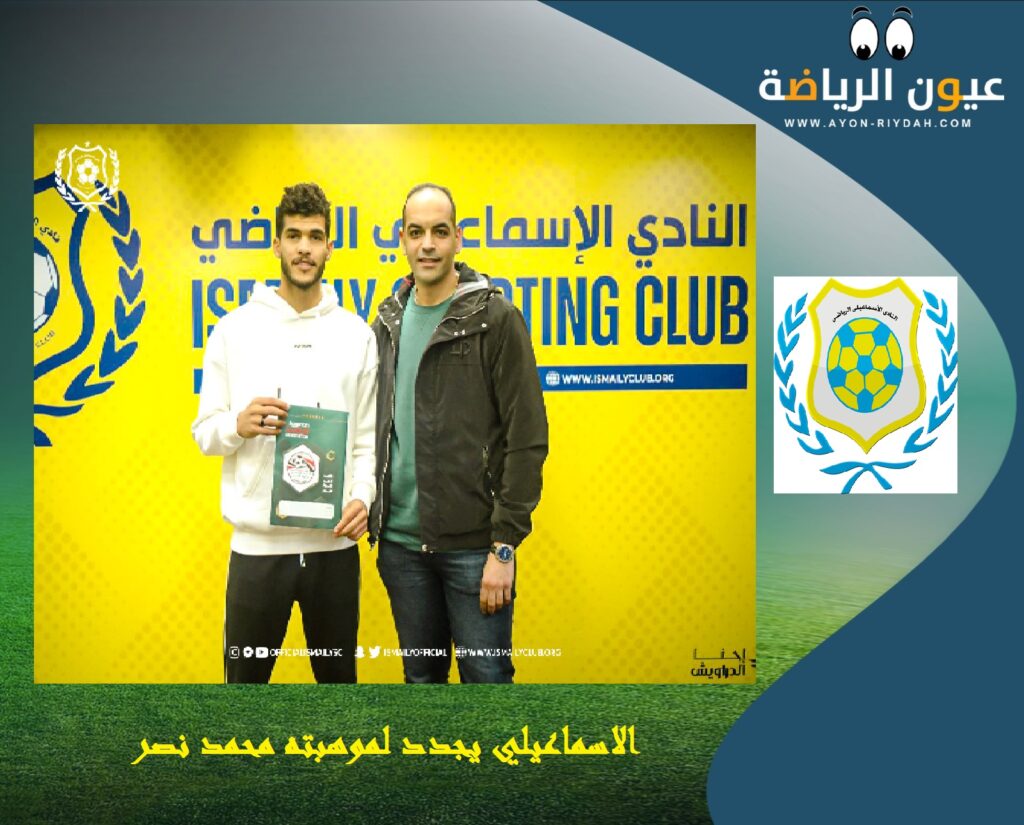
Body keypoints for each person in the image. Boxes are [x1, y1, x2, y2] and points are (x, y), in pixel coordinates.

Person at [192, 182, 376, 684]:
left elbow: (365, 440)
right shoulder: (233, 330)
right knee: (244, 695)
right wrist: (237, 424)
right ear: (276, 244)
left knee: (338, 694)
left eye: (315, 237)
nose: (304, 248)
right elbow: (205, 433)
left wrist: (362, 496)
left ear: (330, 246)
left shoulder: (356, 335)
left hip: (333, 550)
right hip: (257, 551)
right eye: (293, 236)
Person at [370, 183, 548, 684]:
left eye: (439, 231)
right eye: (416, 232)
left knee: (486, 683)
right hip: (401, 549)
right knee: (422, 683)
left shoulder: (495, 318)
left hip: (475, 550)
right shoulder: (385, 323)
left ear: (458, 238)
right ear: (402, 240)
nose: (427, 244)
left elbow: (527, 437)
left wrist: (503, 547)